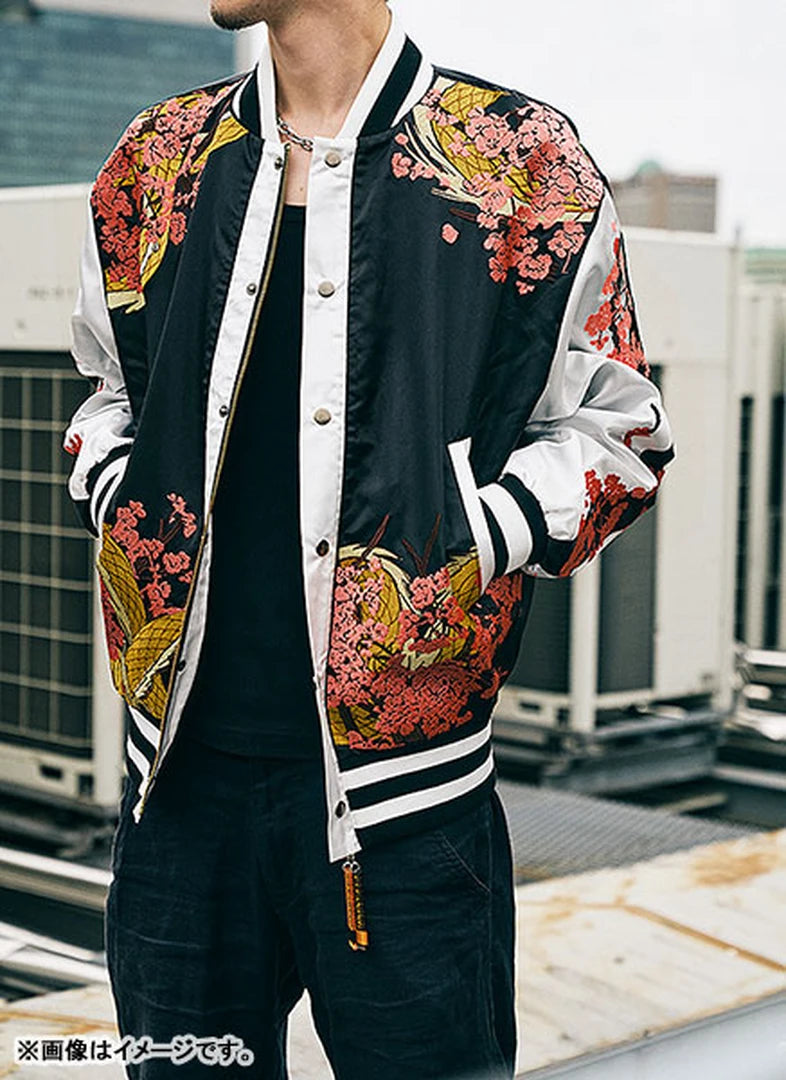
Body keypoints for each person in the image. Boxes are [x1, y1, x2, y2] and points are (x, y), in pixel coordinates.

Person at [63, 1, 676, 1076]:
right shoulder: (157, 159)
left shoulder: (520, 162)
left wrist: (469, 535)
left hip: (410, 814)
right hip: (177, 801)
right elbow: (106, 392)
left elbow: (621, 431)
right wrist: (125, 494)